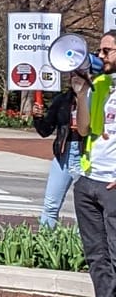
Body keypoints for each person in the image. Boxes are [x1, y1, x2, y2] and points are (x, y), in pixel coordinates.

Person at [67, 40, 116, 297]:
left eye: (106, 51)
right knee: (97, 255)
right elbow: (84, 130)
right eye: (99, 50)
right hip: (90, 178)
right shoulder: (98, 85)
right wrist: (82, 93)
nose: (99, 56)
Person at [34, 37, 109, 228]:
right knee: (51, 204)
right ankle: (45, 242)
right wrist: (37, 117)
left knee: (84, 208)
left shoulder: (99, 94)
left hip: (85, 153)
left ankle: (79, 245)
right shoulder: (63, 100)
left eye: (80, 73)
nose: (75, 77)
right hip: (64, 153)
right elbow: (45, 130)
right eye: (72, 74)